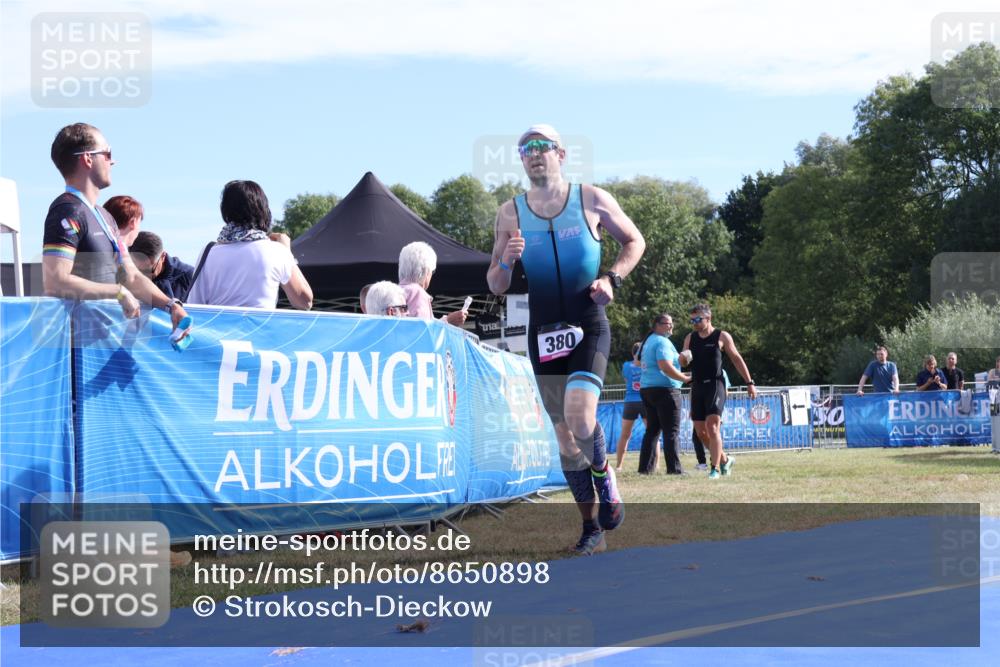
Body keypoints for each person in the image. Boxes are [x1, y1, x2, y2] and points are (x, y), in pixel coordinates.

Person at [488, 124, 645, 555]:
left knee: (579, 416)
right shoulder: (509, 213)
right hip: (542, 331)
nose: (534, 153)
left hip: (587, 320)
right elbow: (496, 284)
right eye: (526, 148)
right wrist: (506, 260)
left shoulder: (591, 198)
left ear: (561, 154)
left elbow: (635, 240)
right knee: (563, 435)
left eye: (542, 145)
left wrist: (612, 279)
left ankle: (604, 474)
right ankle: (591, 528)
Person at [42, 123, 188, 333]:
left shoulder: (105, 217)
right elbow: (56, 281)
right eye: (107, 153)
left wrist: (171, 306)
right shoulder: (68, 210)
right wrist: (117, 291)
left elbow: (132, 276)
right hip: (79, 344)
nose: (113, 161)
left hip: (105, 342)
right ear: (88, 158)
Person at [186, 180, 313, 310]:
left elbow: (194, 305)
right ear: (263, 210)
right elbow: (305, 302)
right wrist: (287, 253)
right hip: (259, 323)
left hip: (218, 323)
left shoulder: (208, 253)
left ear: (225, 211)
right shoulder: (277, 252)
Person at [680, 303, 755, 480]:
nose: (694, 323)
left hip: (715, 385)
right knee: (701, 432)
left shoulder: (721, 336)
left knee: (713, 427)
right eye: (692, 320)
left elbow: (736, 359)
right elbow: (682, 363)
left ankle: (714, 469)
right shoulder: (690, 338)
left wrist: (749, 382)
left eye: (698, 320)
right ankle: (725, 460)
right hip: (697, 386)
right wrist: (683, 358)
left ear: (708, 318)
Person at [637, 314, 691, 475]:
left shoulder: (649, 340)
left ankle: (645, 469)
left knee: (652, 431)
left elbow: (638, 362)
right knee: (671, 431)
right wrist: (685, 378)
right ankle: (674, 469)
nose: (671, 326)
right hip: (665, 390)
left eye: (672, 323)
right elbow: (665, 366)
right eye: (668, 323)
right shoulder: (662, 342)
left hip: (648, 389)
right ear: (658, 325)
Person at [398, 241, 467, 326]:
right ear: (426, 270)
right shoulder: (417, 294)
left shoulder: (394, 291)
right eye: (432, 271)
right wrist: (447, 321)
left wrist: (447, 320)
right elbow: (425, 330)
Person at [129, 231, 194, 302]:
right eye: (137, 270)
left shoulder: (191, 278)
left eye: (149, 271)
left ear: (163, 256)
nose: (143, 276)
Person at [614, 341, 647, 472]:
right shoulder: (646, 365)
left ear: (632, 353)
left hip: (630, 402)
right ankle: (655, 465)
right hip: (645, 401)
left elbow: (627, 380)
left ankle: (619, 466)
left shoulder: (626, 365)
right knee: (652, 433)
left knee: (625, 434)